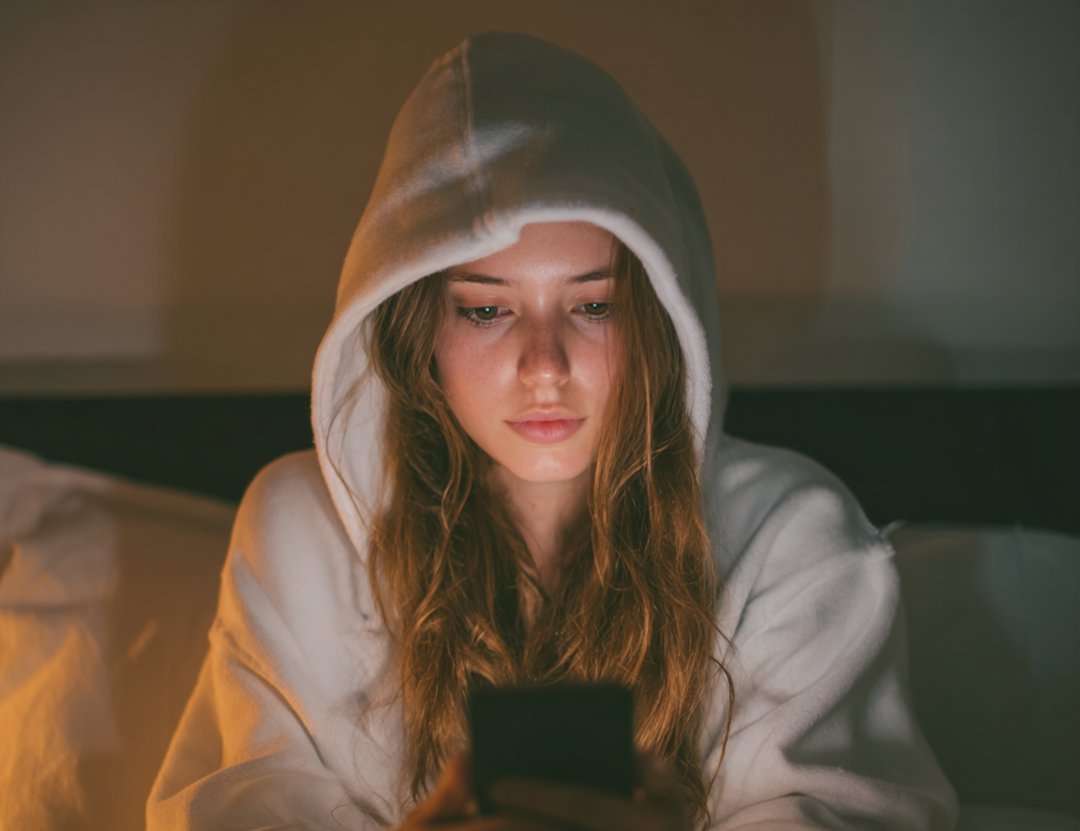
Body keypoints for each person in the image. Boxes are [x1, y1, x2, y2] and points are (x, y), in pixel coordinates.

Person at [147, 31, 958, 830]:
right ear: (417, 325)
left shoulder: (791, 539)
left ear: (659, 315)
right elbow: (245, 804)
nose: (545, 364)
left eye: (594, 304)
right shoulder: (301, 534)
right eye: (488, 308)